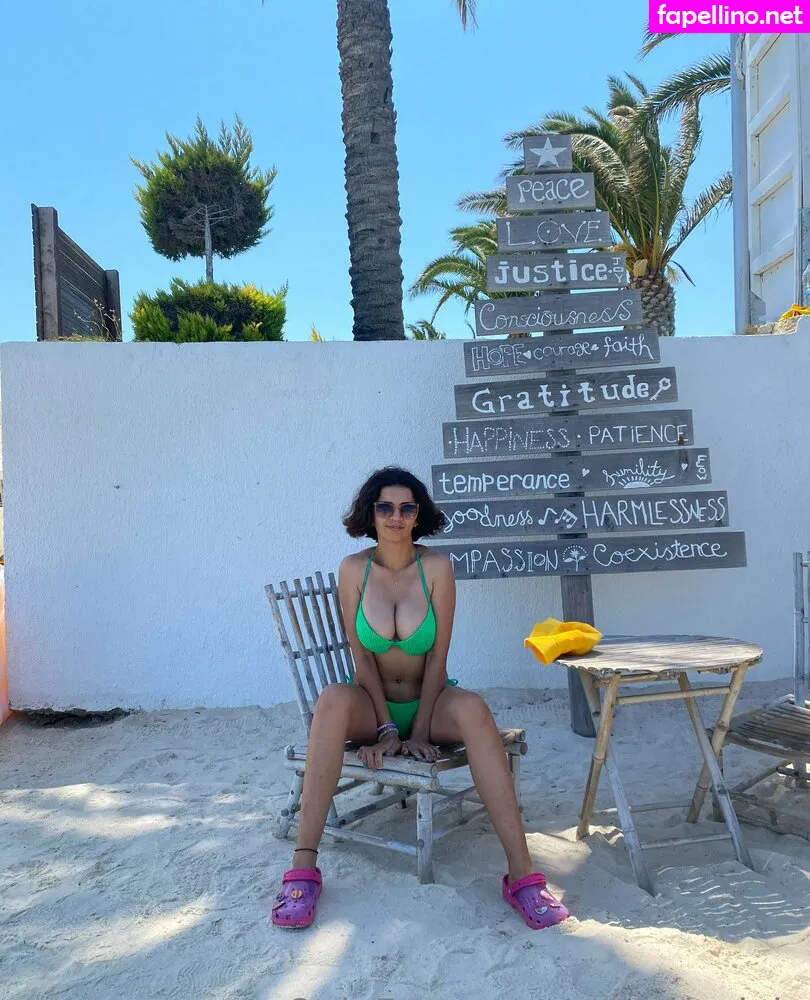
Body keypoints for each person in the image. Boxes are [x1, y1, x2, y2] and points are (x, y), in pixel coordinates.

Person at [272, 467, 569, 931]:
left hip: (428, 700)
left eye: (406, 507)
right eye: (385, 507)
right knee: (331, 699)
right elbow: (361, 658)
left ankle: (523, 876)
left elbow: (438, 658)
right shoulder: (352, 570)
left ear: (418, 515)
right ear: (370, 513)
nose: (396, 516)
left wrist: (422, 730)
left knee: (474, 709)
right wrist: (388, 730)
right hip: (373, 706)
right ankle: (303, 870)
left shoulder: (436, 568)